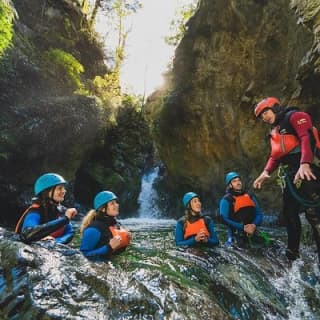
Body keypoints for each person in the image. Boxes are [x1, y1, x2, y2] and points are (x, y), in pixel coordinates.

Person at [253, 97, 320, 262]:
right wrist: (265, 172)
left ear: (275, 108)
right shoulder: (275, 131)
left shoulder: (295, 116)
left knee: (314, 213)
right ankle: (292, 254)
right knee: (289, 214)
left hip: (308, 169)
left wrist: (305, 164)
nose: (265, 117)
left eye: (266, 112)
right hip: (291, 175)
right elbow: (275, 156)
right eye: (261, 116)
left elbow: (307, 137)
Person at [15, 173, 78, 244]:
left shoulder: (62, 211)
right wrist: (65, 219)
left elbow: (70, 233)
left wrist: (54, 241)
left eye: (63, 188)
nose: (64, 191)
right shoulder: (35, 211)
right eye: (60, 188)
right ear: (46, 192)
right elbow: (27, 234)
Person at [80, 191, 131, 259]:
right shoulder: (93, 229)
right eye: (112, 203)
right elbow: (82, 255)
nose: (117, 205)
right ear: (103, 209)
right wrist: (109, 247)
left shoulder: (116, 224)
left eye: (116, 202)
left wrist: (126, 239)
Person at [219, 172, 264, 247]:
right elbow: (224, 219)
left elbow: (259, 214)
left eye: (239, 180)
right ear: (230, 185)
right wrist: (243, 227)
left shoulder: (249, 196)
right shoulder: (226, 200)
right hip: (236, 232)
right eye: (234, 181)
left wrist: (253, 225)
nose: (238, 183)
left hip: (252, 230)